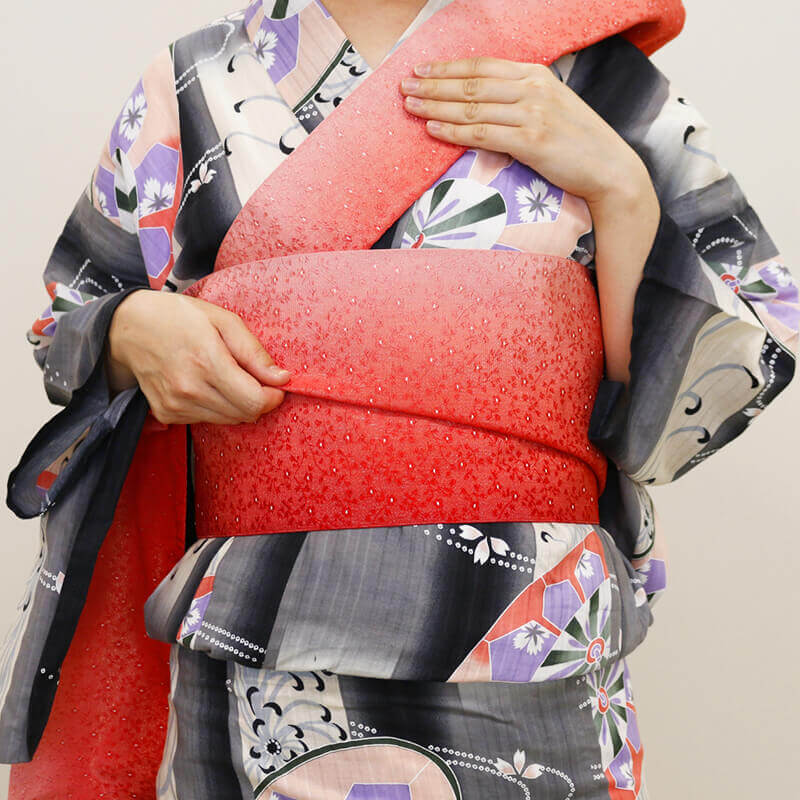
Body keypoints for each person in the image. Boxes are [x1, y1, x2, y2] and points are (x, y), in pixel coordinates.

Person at [1, 0, 797, 798]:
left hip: (532, 638)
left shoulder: (587, 68)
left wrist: (623, 192)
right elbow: (69, 323)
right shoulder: (191, 84)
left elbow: (741, 361)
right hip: (255, 658)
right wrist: (126, 332)